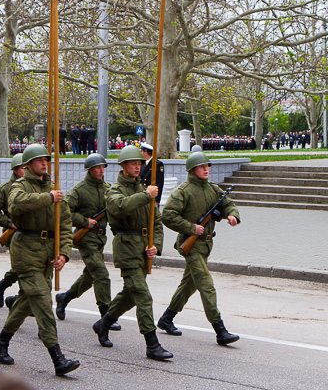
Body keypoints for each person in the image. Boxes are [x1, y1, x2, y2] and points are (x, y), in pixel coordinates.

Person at [0, 144, 80, 376]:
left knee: (25, 301)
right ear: (28, 164)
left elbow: (66, 225)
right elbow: (16, 204)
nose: (44, 164)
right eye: (39, 160)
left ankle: (1, 341)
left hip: (47, 251)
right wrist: (48, 197)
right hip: (26, 249)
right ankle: (58, 358)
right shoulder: (20, 186)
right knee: (41, 299)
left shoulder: (54, 189)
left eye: (46, 160)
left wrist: (64, 253)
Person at [92, 145, 172, 361]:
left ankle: (104, 323)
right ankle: (152, 344)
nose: (138, 167)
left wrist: (155, 244)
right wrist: (146, 196)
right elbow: (120, 207)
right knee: (143, 296)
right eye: (133, 163)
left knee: (130, 295)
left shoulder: (145, 189)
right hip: (126, 247)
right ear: (124, 166)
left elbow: (156, 221)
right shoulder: (114, 190)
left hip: (143, 248)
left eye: (140, 163)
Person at [159, 152, 240, 345]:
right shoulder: (183, 191)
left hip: (206, 245)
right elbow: (168, 215)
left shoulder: (213, 189)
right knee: (206, 284)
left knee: (189, 284)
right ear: (192, 169)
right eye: (202, 166)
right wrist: (191, 227)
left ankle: (166, 319)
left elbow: (228, 204)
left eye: (208, 166)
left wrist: (232, 215)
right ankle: (220, 330)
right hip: (191, 245)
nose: (206, 169)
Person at [55, 153, 121, 331]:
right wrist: (84, 221)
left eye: (103, 167)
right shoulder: (80, 190)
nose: (101, 171)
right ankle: (106, 316)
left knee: (90, 276)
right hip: (86, 239)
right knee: (101, 274)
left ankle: (65, 298)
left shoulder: (108, 188)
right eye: (97, 168)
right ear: (90, 170)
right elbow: (65, 211)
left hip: (100, 238)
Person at [0, 153, 25, 309]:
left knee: (24, 269)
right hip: (15, 235)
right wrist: (9, 223)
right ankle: (23, 302)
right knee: (24, 269)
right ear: (15, 170)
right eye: (23, 168)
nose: (26, 170)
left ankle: (3, 286)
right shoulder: (5, 189)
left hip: (33, 234)